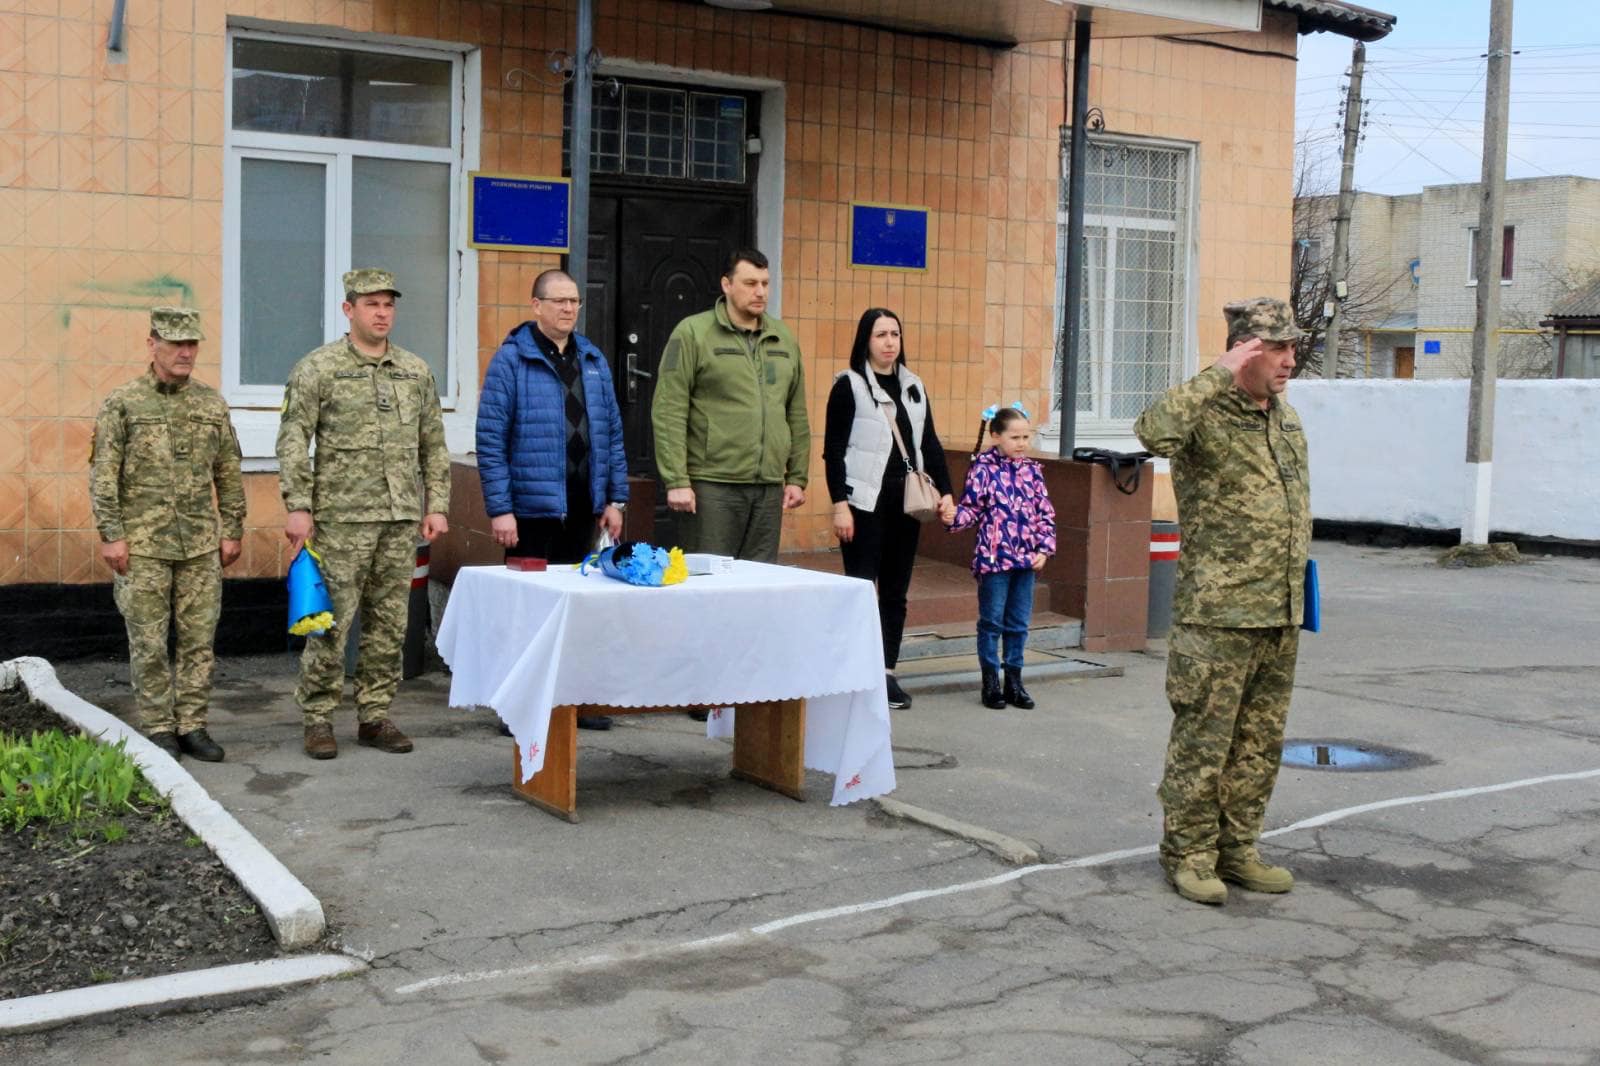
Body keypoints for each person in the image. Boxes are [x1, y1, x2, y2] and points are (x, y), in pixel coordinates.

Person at [1133, 296, 1311, 906]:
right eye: (1276, 348)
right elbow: (1152, 429)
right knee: (1204, 744)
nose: (1289, 359)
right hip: (1218, 616)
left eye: (1292, 347)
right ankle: (1187, 854)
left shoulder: (1283, 419)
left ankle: (1239, 850)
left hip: (1278, 612)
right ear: (1245, 352)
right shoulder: (1207, 413)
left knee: (1258, 745)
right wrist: (1218, 371)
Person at [277, 269, 451, 760]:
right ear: (348, 309)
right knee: (331, 624)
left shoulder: (414, 370)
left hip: (399, 520)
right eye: (371, 304)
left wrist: (435, 504)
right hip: (340, 519)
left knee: (389, 625)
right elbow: (293, 440)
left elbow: (432, 445)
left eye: (388, 305)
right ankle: (318, 718)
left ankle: (374, 715)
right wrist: (298, 505)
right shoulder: (319, 368)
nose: (381, 313)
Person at [89, 307, 245, 762]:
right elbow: (103, 476)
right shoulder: (124, 402)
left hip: (199, 543)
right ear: (151, 343)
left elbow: (228, 471)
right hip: (143, 545)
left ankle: (193, 725)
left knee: (199, 640)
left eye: (192, 343)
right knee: (149, 641)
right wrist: (112, 535)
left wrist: (232, 527)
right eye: (176, 343)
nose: (185, 352)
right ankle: (158, 726)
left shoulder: (211, 403)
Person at [476, 269, 628, 731]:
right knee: (528, 614)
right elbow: (491, 439)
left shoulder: (593, 359)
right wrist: (500, 508)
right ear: (535, 306)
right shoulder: (511, 360)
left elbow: (613, 436)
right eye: (558, 301)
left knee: (577, 608)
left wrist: (615, 499)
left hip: (583, 506)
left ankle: (575, 700)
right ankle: (518, 705)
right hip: (530, 511)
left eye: (575, 301)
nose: (568, 309)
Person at [822, 308, 955, 710]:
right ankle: (853, 671)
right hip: (863, 504)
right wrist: (839, 506)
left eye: (895, 334)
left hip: (906, 504)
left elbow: (928, 442)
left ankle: (886, 674)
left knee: (895, 593)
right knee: (861, 590)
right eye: (881, 334)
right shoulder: (849, 386)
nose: (889, 342)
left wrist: (946, 491)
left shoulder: (914, 386)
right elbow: (833, 452)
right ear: (866, 340)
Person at [651, 248, 810, 563]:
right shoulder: (692, 333)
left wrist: (797, 476)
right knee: (708, 581)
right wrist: (677, 480)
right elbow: (669, 408)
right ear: (726, 285)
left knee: (760, 582)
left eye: (765, 283)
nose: (760, 292)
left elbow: (796, 411)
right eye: (750, 283)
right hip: (712, 484)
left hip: (768, 487)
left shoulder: (783, 338)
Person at [947, 404, 1057, 710]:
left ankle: (1015, 681)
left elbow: (1045, 513)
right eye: (1015, 437)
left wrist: (1044, 549)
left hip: (1026, 561)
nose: (1022, 443)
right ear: (996, 436)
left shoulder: (1032, 471)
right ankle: (990, 682)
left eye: (1026, 436)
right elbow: (971, 509)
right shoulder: (982, 469)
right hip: (994, 560)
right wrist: (952, 517)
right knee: (992, 622)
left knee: (1018, 623)